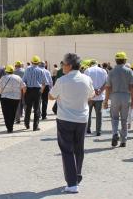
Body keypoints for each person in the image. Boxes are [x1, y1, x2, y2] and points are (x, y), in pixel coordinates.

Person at [48, 53, 95, 193]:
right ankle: (77, 175)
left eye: (63, 63)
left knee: (67, 150)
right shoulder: (87, 79)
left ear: (69, 65)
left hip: (65, 119)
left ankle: (72, 183)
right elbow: (91, 95)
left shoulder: (62, 80)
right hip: (81, 119)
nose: (62, 66)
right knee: (79, 149)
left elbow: (51, 96)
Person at [104, 52, 133, 147]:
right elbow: (132, 86)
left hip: (115, 97)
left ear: (116, 60)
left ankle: (114, 133)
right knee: (124, 119)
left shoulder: (111, 72)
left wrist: (105, 101)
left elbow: (108, 87)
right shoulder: (129, 71)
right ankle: (123, 141)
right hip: (126, 96)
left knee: (114, 118)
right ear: (125, 60)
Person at [0, 65, 26, 133]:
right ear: (13, 71)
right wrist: (23, 95)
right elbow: (24, 87)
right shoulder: (18, 77)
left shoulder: (3, 78)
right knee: (13, 112)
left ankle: (9, 127)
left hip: (5, 98)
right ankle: (11, 126)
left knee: (6, 113)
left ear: (6, 71)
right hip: (16, 98)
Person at [22, 55, 48, 131]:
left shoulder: (27, 69)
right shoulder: (41, 70)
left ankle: (27, 124)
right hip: (37, 91)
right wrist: (41, 90)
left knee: (28, 108)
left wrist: (24, 89)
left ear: (31, 62)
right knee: (37, 109)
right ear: (38, 62)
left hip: (29, 90)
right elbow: (45, 83)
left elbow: (23, 81)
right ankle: (35, 126)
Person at [84, 60, 108, 136]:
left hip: (90, 96)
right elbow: (107, 82)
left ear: (90, 64)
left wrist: (93, 90)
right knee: (99, 114)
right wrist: (100, 90)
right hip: (100, 96)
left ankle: (88, 129)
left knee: (88, 113)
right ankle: (98, 131)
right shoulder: (103, 71)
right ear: (97, 64)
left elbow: (85, 82)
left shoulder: (87, 70)